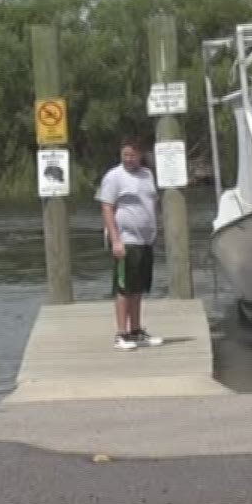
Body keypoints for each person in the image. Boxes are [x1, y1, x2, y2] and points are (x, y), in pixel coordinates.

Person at [97, 135, 162, 350]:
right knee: (124, 288)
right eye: (125, 155)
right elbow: (107, 207)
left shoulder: (147, 175)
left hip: (145, 240)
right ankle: (121, 334)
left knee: (138, 288)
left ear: (141, 155)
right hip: (126, 239)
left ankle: (136, 331)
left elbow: (151, 202)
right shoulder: (114, 177)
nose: (128, 159)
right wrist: (115, 240)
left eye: (132, 155)